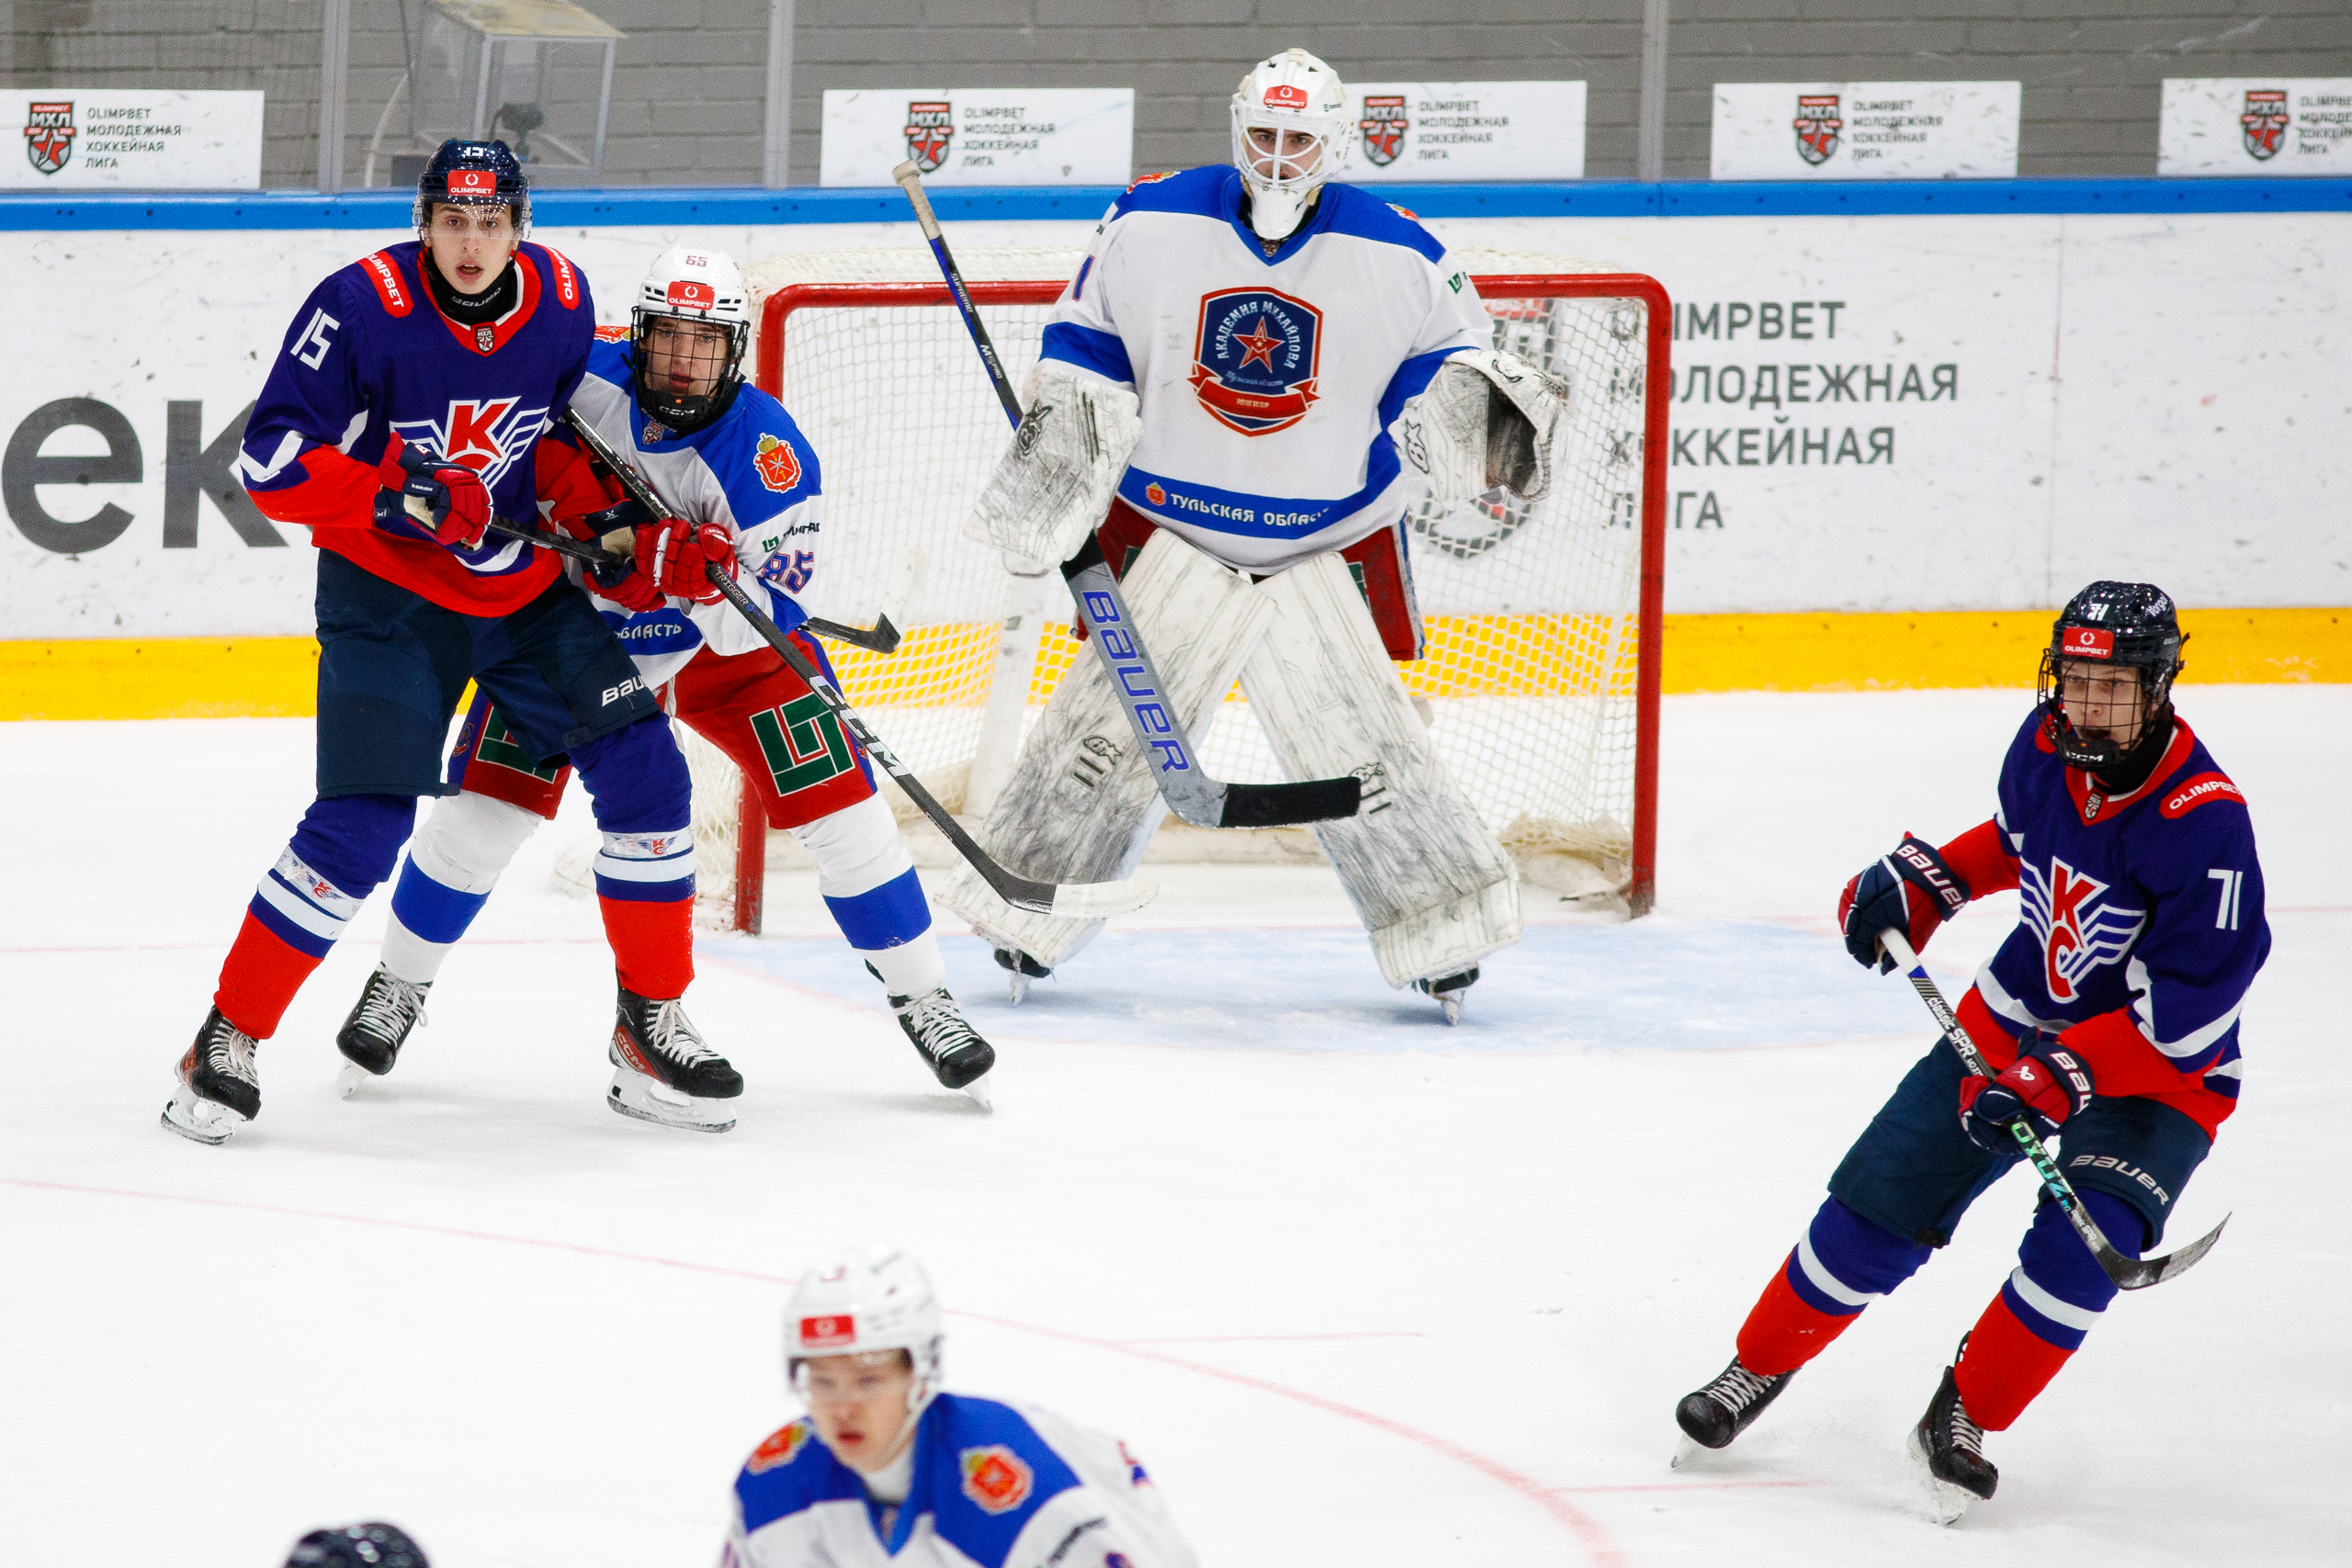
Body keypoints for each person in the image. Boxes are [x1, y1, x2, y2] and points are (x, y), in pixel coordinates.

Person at [938, 46, 1568, 1022]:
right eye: (1264, 134)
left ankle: (1442, 932)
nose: (1278, 157)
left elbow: (1450, 368)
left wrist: (1470, 416)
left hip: (1328, 541)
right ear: (1237, 130)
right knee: (1105, 737)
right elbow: (1087, 339)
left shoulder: (1406, 252)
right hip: (1172, 530)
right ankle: (1029, 917)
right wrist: (1067, 429)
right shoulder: (1148, 218)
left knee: (1366, 750)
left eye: (1299, 139)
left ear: (1336, 144)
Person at [332, 245, 997, 1122]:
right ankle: (398, 983)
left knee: (846, 813)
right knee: (482, 816)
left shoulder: (770, 461)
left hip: (722, 655)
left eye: (705, 343)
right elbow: (499, 474)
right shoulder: (575, 380)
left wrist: (697, 586)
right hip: (573, 641)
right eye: (669, 337)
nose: (684, 361)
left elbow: (759, 617)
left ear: (735, 351)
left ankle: (924, 998)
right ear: (638, 333)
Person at [162, 140, 732, 1145]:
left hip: (516, 593)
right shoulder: (360, 305)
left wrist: (625, 535)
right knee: (365, 822)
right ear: (423, 224)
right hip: (389, 602)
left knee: (648, 773)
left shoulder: (562, 299)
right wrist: (398, 493)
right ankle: (226, 1037)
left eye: (492, 223)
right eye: (453, 222)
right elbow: (270, 458)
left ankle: (647, 1029)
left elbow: (557, 441)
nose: (472, 244)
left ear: (521, 228)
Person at [1670, 581, 2268, 1517]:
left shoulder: (2204, 821)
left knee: (2087, 1251)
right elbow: (2015, 842)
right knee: (1881, 1197)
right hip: (2018, 1017)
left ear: (2159, 689)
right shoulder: (2043, 745)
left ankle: (1964, 1411)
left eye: (2112, 688)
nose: (2086, 706)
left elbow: (2187, 1020)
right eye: (2075, 681)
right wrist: (1934, 883)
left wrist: (2063, 1073)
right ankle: (1757, 1366)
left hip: (2155, 1073)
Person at [722, 1246, 1196, 1568]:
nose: (842, 1408)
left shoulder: (1020, 1494)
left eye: (868, 1381)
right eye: (823, 1382)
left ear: (920, 1375)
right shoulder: (777, 1483)